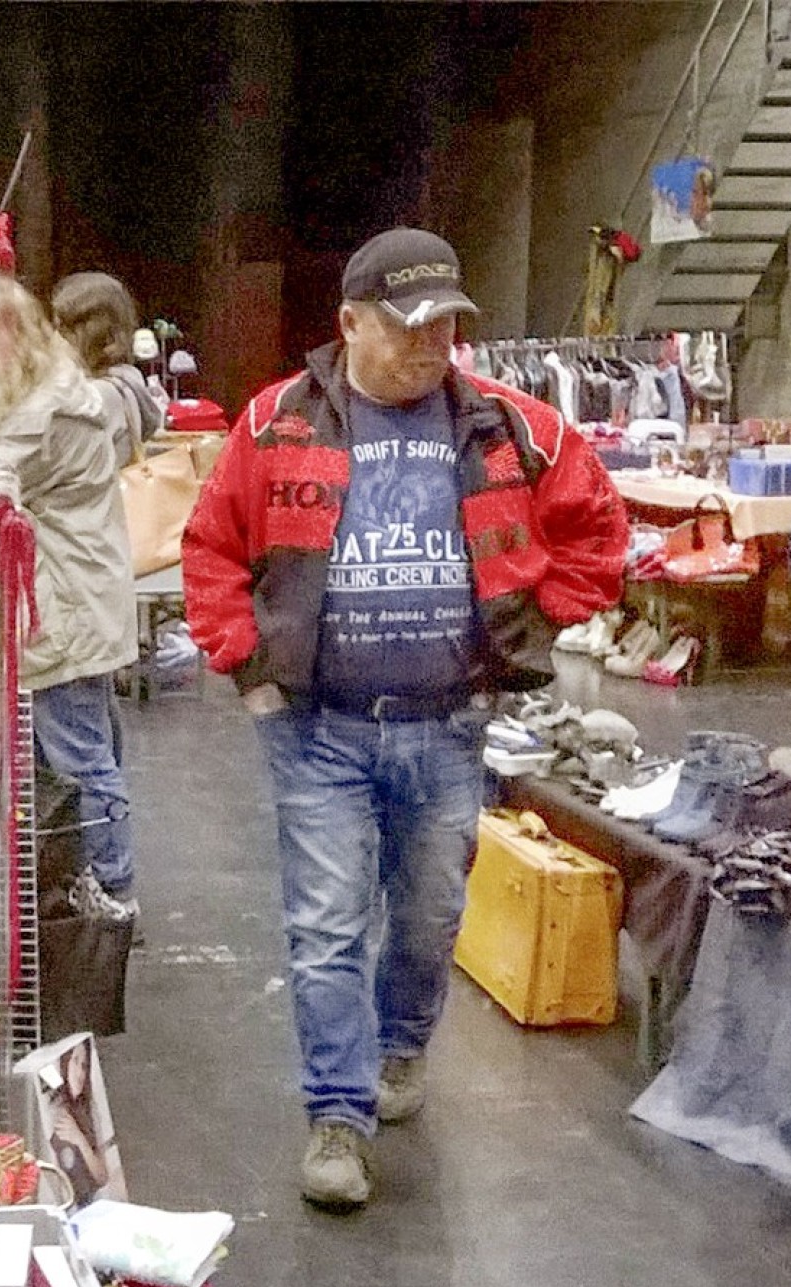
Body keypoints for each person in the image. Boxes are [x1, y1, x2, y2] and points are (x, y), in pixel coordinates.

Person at [183, 228, 627, 1210]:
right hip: (318, 730)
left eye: (445, 326)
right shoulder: (275, 422)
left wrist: (529, 627)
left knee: (430, 918)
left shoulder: (512, 426)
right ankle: (336, 1117)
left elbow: (599, 527)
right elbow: (211, 548)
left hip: (449, 724)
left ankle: (398, 1045)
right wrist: (249, 668)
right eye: (408, 325)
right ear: (349, 322)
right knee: (326, 926)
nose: (431, 345)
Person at [0, 270, 141, 919]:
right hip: (71, 600)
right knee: (82, 747)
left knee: (78, 760)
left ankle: (111, 895)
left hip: (59, 608)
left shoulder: (44, 416)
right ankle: (91, 886)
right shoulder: (59, 395)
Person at [52, 272, 163, 466]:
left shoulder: (98, 396)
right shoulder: (126, 380)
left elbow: (55, 461)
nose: (53, 338)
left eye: (62, 330)